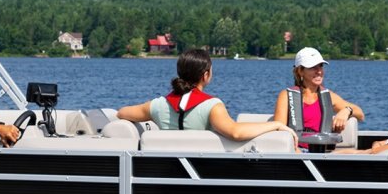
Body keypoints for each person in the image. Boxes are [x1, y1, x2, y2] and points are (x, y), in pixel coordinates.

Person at [117, 48, 291, 140]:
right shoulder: (212, 106)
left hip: (166, 173)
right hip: (200, 176)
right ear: (206, 75)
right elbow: (235, 133)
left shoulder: (158, 105)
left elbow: (122, 113)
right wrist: (275, 125)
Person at [273, 47, 364, 149]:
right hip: (296, 152)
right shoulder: (286, 96)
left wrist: (346, 111)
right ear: (300, 71)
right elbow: (279, 132)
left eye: (320, 66)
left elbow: (360, 114)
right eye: (312, 67)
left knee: (367, 152)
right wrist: (296, 151)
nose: (319, 71)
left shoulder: (329, 96)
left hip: (323, 153)